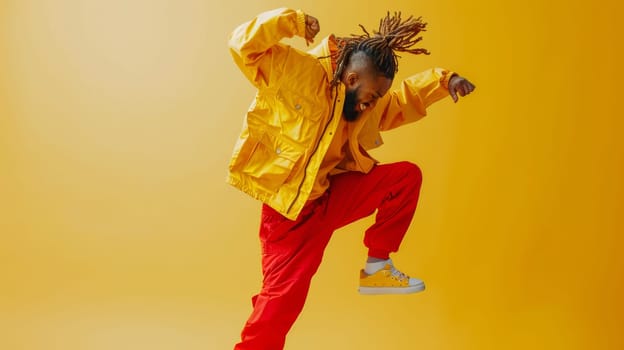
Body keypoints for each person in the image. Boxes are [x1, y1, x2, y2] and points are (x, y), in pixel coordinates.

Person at [227, 8, 475, 350]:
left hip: (330, 197)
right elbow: (243, 46)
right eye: (371, 98)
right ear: (353, 79)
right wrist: (291, 21)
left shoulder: (367, 104)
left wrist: (444, 81)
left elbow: (402, 101)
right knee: (282, 299)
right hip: (289, 214)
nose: (369, 108)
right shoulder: (299, 72)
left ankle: (377, 266)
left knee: (404, 177)